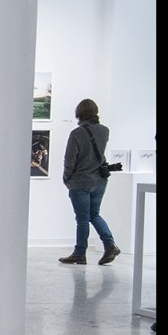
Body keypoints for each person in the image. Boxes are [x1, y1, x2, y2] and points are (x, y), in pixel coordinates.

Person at [58, 98, 121, 265]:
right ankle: (109, 244)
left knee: (82, 218)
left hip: (80, 182)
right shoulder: (104, 131)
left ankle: (79, 253)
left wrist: (66, 178)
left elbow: (70, 159)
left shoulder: (76, 133)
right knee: (94, 215)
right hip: (99, 180)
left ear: (79, 113)